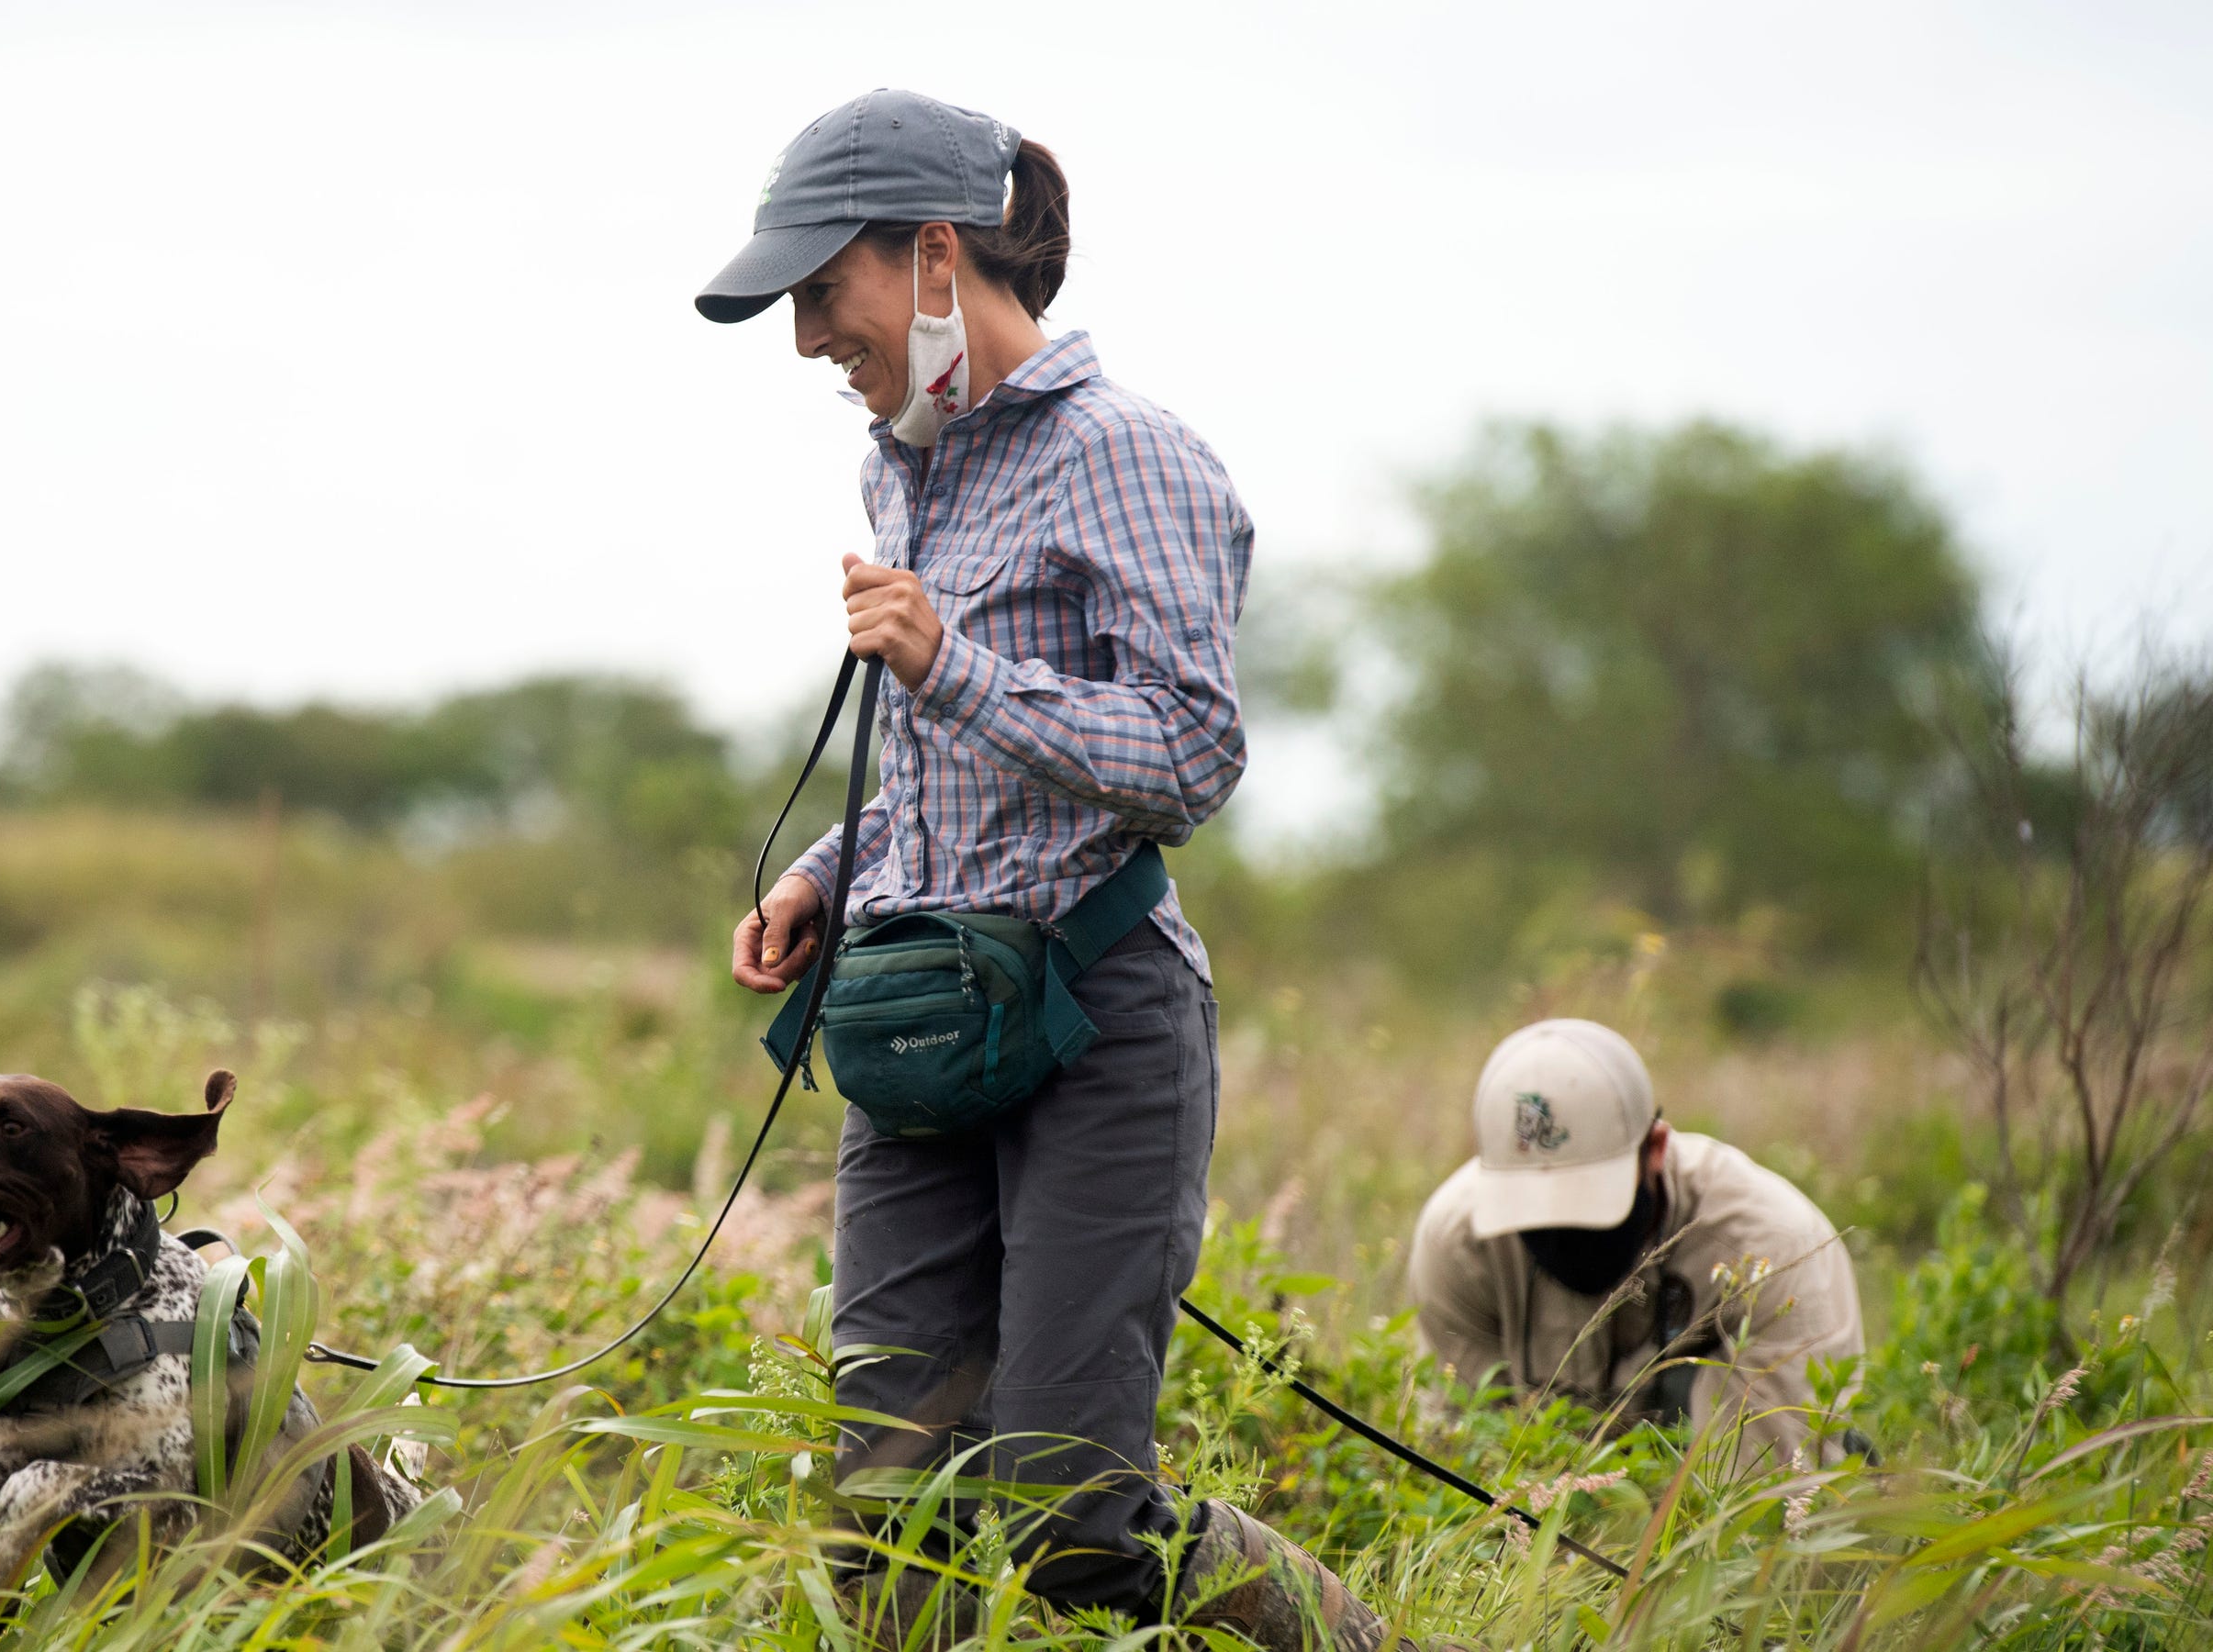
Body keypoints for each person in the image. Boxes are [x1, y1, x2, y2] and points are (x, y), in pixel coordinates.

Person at [700, 89, 1425, 1647]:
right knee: (888, 1519)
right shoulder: (903, 468)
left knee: (1066, 1514)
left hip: (1097, 1024)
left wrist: (949, 662)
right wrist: (832, 869)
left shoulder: (1136, 458)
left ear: (939, 259)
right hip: (920, 1023)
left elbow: (1188, 756)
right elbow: (958, 769)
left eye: (826, 291)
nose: (810, 338)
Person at [1407, 1018, 1867, 1472]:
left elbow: (1779, 1493)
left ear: (1656, 1149)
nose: (1561, 1236)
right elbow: (1463, 1457)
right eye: (1531, 1213)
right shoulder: (1460, 1246)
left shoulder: (1776, 1251)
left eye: (1587, 1204)